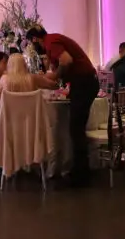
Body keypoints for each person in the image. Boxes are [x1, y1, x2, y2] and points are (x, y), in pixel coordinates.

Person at [27, 26, 99, 187]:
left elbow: (66, 60)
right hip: (83, 82)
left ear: (35, 39)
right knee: (76, 128)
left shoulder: (51, 41)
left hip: (84, 83)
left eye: (31, 43)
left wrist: (56, 75)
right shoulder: (53, 40)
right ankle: (79, 170)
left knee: (76, 129)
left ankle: (80, 174)